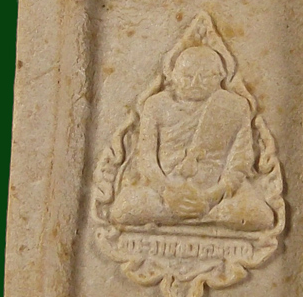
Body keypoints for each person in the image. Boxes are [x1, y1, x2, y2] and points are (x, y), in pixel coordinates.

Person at [109, 45, 274, 231]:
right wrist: (167, 191)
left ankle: (194, 214)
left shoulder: (234, 106)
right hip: (164, 191)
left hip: (216, 194)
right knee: (123, 210)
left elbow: (240, 162)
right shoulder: (156, 105)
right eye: (187, 76)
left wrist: (212, 196)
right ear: (173, 75)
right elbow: (146, 160)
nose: (195, 83)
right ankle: (202, 217)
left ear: (220, 77)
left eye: (205, 77)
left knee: (261, 216)